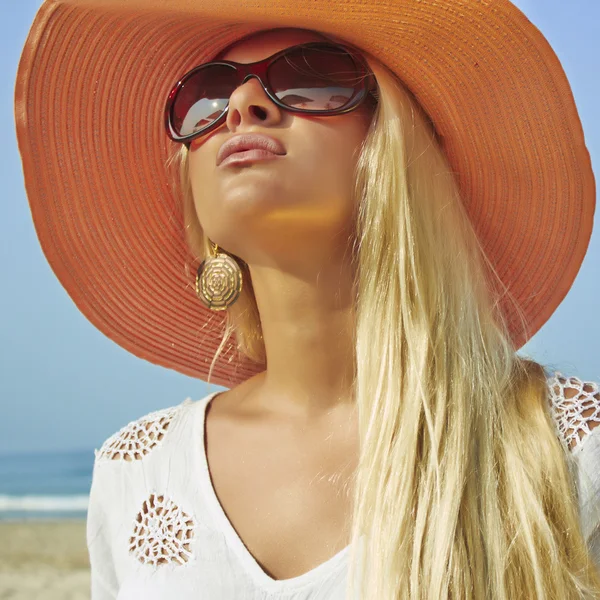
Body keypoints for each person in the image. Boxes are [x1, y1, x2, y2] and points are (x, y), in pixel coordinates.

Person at [13, 0, 600, 598]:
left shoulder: (559, 441)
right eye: (206, 98)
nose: (241, 106)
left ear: (396, 145)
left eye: (312, 78)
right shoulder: (134, 473)